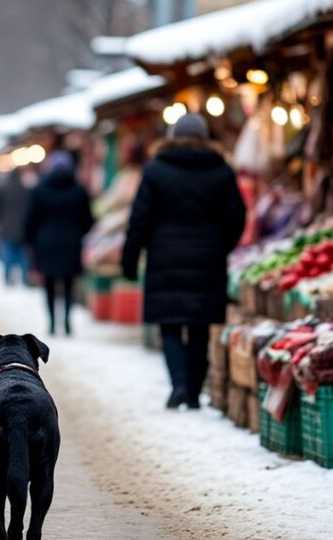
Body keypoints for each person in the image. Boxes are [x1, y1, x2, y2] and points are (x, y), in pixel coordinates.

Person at [122, 114, 246, 410]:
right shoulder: (221, 170)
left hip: (164, 256)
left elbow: (140, 218)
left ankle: (178, 383)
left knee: (170, 325)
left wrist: (130, 258)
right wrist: (220, 246)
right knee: (200, 327)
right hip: (208, 258)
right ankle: (192, 393)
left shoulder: (155, 170)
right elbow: (237, 217)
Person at [24, 151, 94, 336]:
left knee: (49, 284)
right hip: (71, 241)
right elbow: (88, 219)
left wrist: (30, 241)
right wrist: (78, 233)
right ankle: (68, 321)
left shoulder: (40, 189)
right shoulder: (79, 190)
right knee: (69, 283)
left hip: (46, 241)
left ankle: (53, 323)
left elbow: (32, 218)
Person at [0, 168, 32, 286]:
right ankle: (24, 277)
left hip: (6, 226)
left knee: (8, 253)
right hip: (23, 227)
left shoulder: (2, 189)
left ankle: (8, 277)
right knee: (22, 254)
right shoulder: (25, 190)